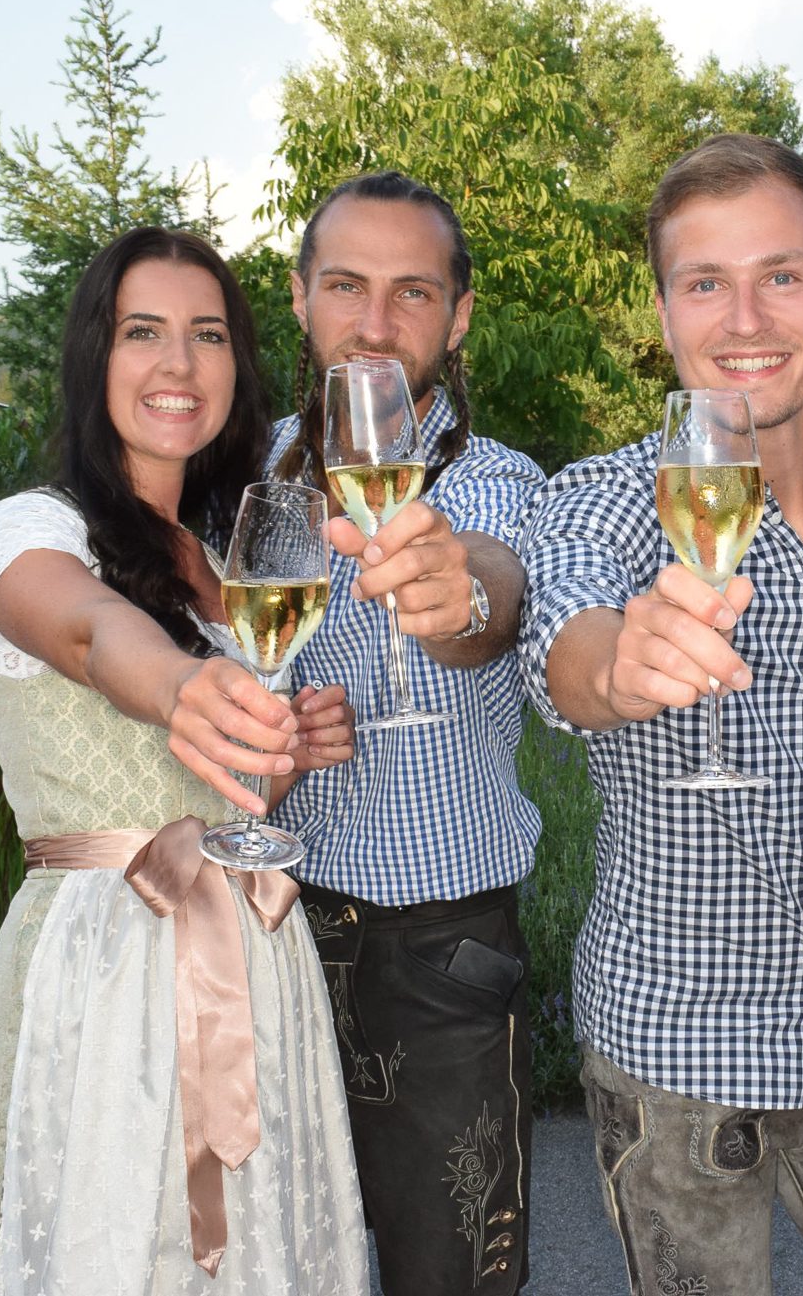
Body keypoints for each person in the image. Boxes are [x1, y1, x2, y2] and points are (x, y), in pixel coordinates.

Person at [519, 133, 803, 1296]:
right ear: (664, 312)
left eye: (781, 276)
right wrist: (618, 663)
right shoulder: (608, 497)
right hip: (679, 1057)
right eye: (705, 282)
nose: (745, 317)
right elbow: (562, 641)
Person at [0, 227, 369, 1293]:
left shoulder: (225, 555)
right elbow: (91, 632)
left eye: (208, 335)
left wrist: (284, 751)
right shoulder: (26, 530)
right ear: (95, 356)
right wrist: (183, 685)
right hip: (103, 973)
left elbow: (218, 788)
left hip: (252, 956)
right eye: (144, 332)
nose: (179, 363)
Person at [269, 171, 544, 1296]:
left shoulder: (508, 484)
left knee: (453, 1273)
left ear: (459, 316)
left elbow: (496, 597)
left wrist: (460, 597)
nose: (375, 325)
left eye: (413, 293)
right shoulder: (245, 476)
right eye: (347, 285)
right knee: (280, 1261)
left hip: (444, 948)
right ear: (300, 298)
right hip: (266, 928)